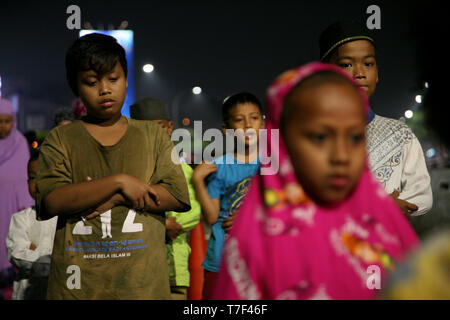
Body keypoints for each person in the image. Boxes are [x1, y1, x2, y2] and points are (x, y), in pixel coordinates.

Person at [213, 63, 419, 300]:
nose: (341, 155)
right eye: (320, 137)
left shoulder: (386, 224)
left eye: (354, 137)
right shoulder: (255, 243)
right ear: (283, 141)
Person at [35, 33, 190, 300]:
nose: (105, 89)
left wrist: (117, 197)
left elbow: (176, 195)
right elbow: (52, 200)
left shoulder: (153, 136)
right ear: (76, 87)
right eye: (92, 82)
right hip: (79, 289)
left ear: (127, 81)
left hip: (143, 288)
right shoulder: (61, 139)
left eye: (113, 79)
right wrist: (119, 183)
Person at [319, 20, 432, 219]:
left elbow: (422, 195)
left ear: (377, 73)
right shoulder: (309, 136)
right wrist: (378, 205)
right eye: (346, 64)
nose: (360, 73)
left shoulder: (400, 133)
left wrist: (394, 206)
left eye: (368, 64)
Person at [192, 92, 265, 300]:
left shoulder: (274, 165)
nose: (247, 126)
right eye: (239, 120)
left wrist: (249, 219)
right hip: (222, 260)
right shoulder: (219, 167)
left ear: (263, 124)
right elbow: (212, 217)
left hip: (262, 260)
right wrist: (197, 181)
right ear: (226, 130)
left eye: (254, 118)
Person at [130, 97, 201, 300]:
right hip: (137, 267)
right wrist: (162, 225)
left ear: (170, 128)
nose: (153, 134)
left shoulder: (182, 168)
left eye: (159, 127)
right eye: (145, 129)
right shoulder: (130, 170)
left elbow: (194, 209)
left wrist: (171, 224)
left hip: (175, 269)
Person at [6, 151, 57, 300]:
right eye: (33, 177)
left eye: (45, 177)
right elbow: (17, 253)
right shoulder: (21, 219)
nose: (39, 183)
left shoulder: (69, 219)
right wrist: (57, 265)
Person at [0, 98, 35, 300]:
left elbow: (25, 182)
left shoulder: (20, 144)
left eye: (7, 121)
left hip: (14, 211)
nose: (3, 126)